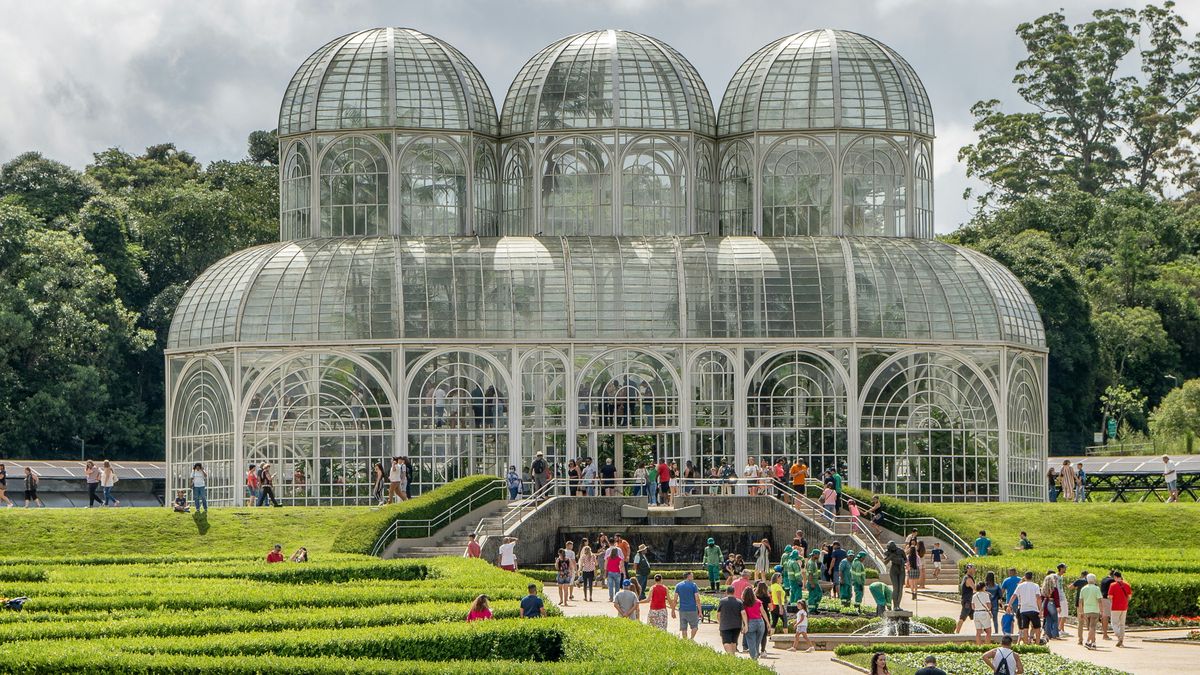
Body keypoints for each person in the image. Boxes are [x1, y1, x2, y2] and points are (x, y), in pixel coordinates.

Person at [1010, 571, 1043, 645]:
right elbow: (1038, 597)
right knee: (1037, 628)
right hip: (1034, 609)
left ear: (1025, 577)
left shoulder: (1020, 586)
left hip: (1023, 610)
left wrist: (1009, 605)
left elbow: (1014, 596)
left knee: (1025, 629)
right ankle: (1037, 645)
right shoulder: (1036, 586)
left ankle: (1026, 645)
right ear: (1032, 577)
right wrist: (1041, 609)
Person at [672, 571, 701, 639]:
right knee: (695, 627)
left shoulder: (678, 585)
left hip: (682, 610)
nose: (693, 577)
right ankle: (691, 639)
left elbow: (675, 599)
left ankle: (685, 642)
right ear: (688, 577)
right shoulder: (693, 585)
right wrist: (700, 611)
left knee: (683, 628)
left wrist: (673, 611)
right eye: (692, 576)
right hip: (692, 609)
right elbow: (697, 599)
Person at [740, 586, 766, 660]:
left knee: (751, 643)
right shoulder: (758, 602)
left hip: (750, 622)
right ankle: (756, 656)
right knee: (757, 643)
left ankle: (754, 659)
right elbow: (763, 612)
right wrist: (767, 623)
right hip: (760, 622)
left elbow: (743, 614)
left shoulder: (743, 604)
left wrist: (744, 625)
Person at [717, 585, 744, 655]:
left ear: (726, 592)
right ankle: (733, 655)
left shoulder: (722, 601)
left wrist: (720, 622)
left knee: (726, 642)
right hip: (737, 625)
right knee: (734, 641)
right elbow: (743, 613)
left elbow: (718, 614)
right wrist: (744, 624)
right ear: (734, 592)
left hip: (725, 625)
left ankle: (731, 656)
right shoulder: (739, 602)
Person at [1108, 571, 1132, 647]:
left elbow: (1110, 597)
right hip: (1124, 606)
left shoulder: (1112, 585)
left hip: (1115, 606)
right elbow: (1129, 597)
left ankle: (1119, 636)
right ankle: (1121, 640)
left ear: (1115, 577)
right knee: (1122, 624)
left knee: (1114, 623)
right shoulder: (1127, 584)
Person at [1077, 573, 1101, 648]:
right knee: (1092, 627)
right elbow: (1100, 601)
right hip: (1095, 610)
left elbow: (1080, 601)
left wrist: (1081, 611)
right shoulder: (1097, 588)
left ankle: (1093, 642)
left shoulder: (1083, 589)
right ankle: (1088, 642)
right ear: (1094, 580)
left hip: (1086, 610)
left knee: (1090, 627)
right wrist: (1102, 611)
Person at [954, 563, 977, 633]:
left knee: (977, 617)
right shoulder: (968, 579)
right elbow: (975, 588)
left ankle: (981, 632)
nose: (974, 570)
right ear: (969, 569)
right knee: (962, 618)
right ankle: (956, 633)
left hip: (970, 601)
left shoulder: (968, 577)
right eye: (973, 568)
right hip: (967, 602)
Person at [884, 541, 905, 610]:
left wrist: (901, 560)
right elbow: (885, 562)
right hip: (894, 570)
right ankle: (895, 605)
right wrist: (890, 557)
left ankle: (898, 605)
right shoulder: (888, 552)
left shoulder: (901, 551)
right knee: (895, 588)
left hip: (901, 570)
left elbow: (906, 559)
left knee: (900, 588)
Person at [972, 581, 993, 645]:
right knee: (988, 631)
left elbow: (973, 607)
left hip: (976, 613)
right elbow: (989, 606)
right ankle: (986, 646)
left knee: (978, 632)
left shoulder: (974, 595)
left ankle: (979, 647)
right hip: (984, 613)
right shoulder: (986, 595)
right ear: (983, 587)